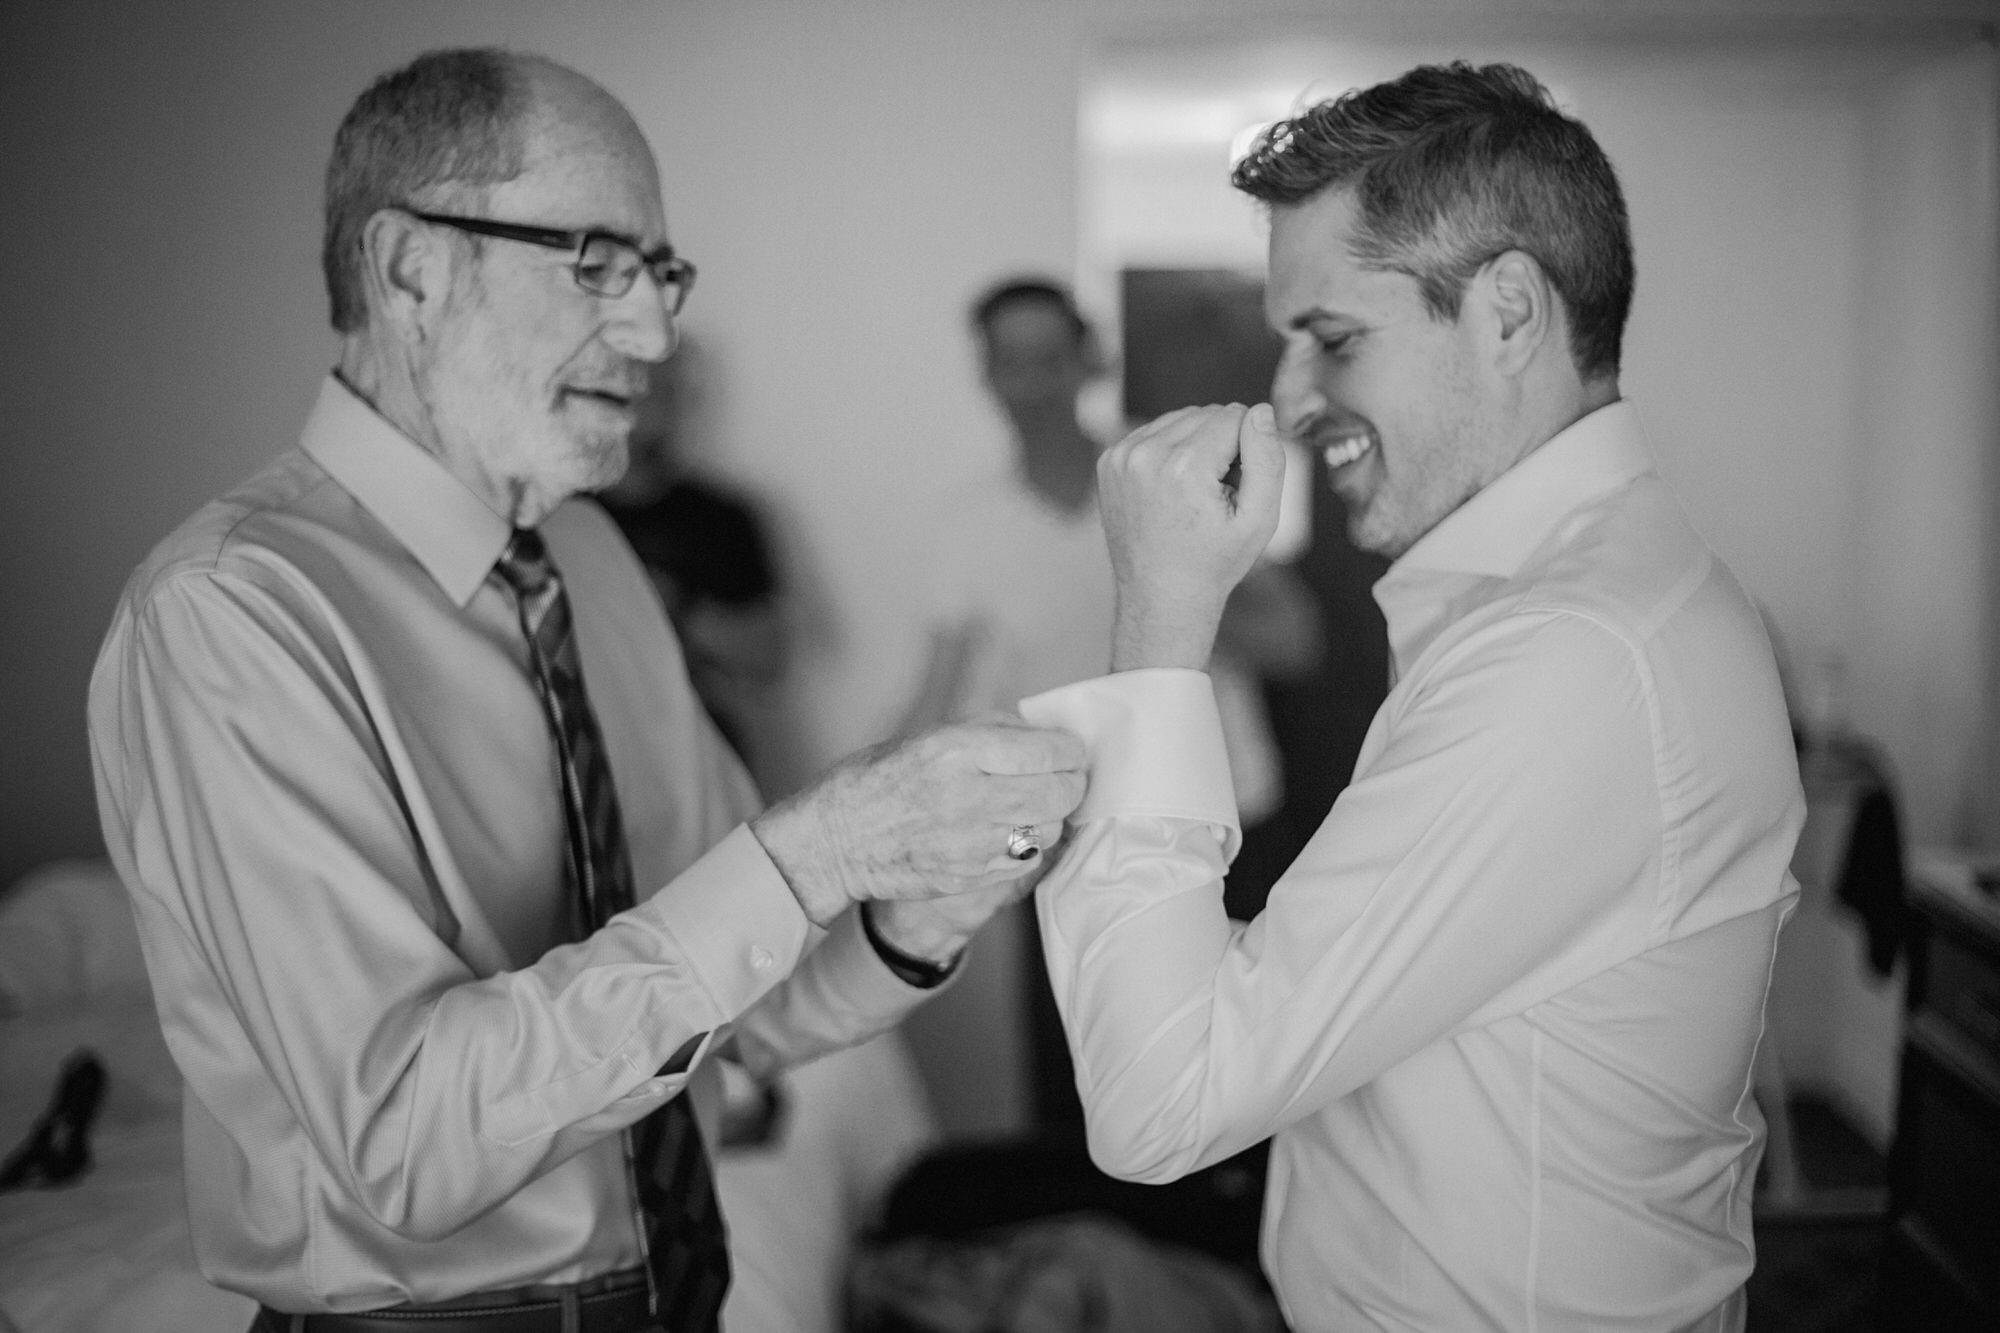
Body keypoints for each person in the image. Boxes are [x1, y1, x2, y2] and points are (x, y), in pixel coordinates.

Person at [86, 47, 1085, 1330]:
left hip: (685, 1291)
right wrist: (818, 844)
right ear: (409, 271)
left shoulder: (597, 560)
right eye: (597, 262)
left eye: (661, 273)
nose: (656, 333)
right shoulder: (233, 612)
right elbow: (406, 1137)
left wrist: (919, 917)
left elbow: (735, 1004)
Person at [1019, 61, 1804, 1331]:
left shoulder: (1568, 656)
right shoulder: (1551, 601)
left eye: (1332, 339)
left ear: (1504, 313)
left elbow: (1160, 1101)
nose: (1288, 398)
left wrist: (1159, 621)